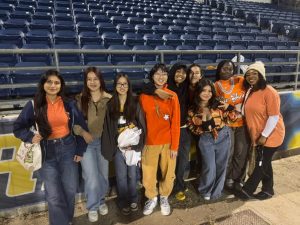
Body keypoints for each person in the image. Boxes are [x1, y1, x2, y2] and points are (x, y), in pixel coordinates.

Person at [13, 69, 88, 225]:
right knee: (53, 195)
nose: (53, 85)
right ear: (43, 84)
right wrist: (29, 137)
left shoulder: (69, 103)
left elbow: (81, 126)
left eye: (57, 82)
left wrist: (80, 149)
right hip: (46, 152)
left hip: (68, 148)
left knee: (69, 190)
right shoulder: (33, 105)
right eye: (49, 82)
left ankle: (67, 220)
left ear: (61, 85)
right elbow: (18, 128)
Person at [236, 61, 285, 200]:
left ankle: (247, 191)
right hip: (257, 135)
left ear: (261, 75)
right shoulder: (251, 90)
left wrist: (264, 135)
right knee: (265, 162)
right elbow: (245, 111)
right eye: (248, 74)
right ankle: (268, 190)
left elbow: (274, 117)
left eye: (254, 73)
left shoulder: (270, 92)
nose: (250, 76)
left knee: (261, 163)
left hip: (271, 135)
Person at [101, 73, 146, 215]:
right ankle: (123, 201)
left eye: (125, 84)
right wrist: (113, 148)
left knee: (132, 175)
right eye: (119, 84)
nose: (122, 86)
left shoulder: (135, 102)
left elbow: (142, 125)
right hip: (119, 148)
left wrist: (138, 146)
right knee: (121, 176)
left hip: (132, 147)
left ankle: (133, 199)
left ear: (128, 86)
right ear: (115, 86)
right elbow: (108, 128)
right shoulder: (111, 104)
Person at [139, 63, 180, 216]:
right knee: (148, 174)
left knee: (169, 172)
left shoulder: (172, 96)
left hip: (168, 142)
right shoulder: (144, 96)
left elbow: (175, 122)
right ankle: (151, 197)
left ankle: (164, 197)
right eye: (157, 74)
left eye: (164, 74)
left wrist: (174, 146)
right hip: (150, 142)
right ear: (152, 76)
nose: (161, 76)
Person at [73, 67, 111, 222]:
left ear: (100, 80)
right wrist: (83, 133)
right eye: (89, 79)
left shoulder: (109, 99)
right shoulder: (79, 99)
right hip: (86, 143)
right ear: (85, 81)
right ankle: (93, 206)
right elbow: (74, 124)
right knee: (91, 176)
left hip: (104, 142)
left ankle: (102, 201)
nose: (93, 82)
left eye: (96, 78)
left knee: (103, 175)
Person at [187, 79, 234, 201]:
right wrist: (202, 128)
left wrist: (229, 108)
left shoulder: (218, 104)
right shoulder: (192, 109)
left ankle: (217, 191)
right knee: (209, 167)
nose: (207, 94)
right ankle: (205, 190)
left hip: (223, 136)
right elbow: (192, 128)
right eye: (204, 90)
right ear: (198, 92)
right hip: (206, 139)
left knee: (221, 166)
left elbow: (232, 118)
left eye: (210, 91)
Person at [214, 60, 250, 191]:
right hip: (227, 125)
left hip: (243, 124)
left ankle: (239, 178)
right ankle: (228, 178)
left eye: (230, 69)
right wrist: (232, 109)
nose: (227, 71)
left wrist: (232, 107)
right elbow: (218, 107)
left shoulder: (241, 80)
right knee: (228, 153)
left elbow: (249, 100)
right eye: (224, 69)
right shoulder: (216, 85)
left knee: (241, 153)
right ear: (219, 70)